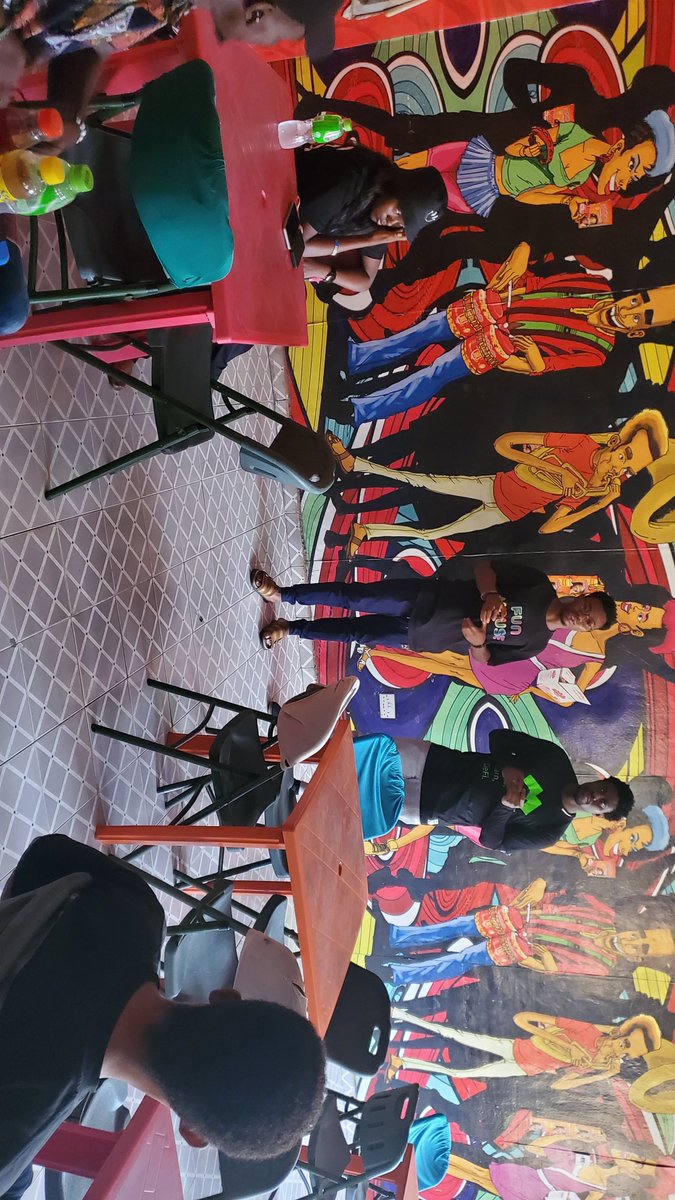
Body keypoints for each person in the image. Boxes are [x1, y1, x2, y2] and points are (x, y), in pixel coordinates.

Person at [0, 835, 326, 1198]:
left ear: (225, 997)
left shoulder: (137, 911)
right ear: (193, 1132)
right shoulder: (12, 1137)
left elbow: (43, 856)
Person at [334, 243, 675, 427]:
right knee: (423, 331)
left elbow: (542, 368)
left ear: (638, 331)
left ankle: (359, 411)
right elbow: (537, 281)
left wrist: (527, 360)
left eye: (641, 317)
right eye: (639, 300)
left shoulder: (597, 351)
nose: (629, 310)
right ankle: (356, 358)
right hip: (494, 305)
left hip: (500, 347)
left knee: (435, 373)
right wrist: (517, 265)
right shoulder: (595, 285)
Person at [326, 408, 669, 555]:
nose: (619, 469)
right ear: (616, 442)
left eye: (628, 470)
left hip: (505, 513)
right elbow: (505, 444)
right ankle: (356, 463)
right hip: (494, 485)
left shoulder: (593, 487)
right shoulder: (580, 445)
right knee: (423, 481)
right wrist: (555, 468)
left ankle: (366, 531)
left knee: (433, 533)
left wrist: (601, 503)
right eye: (625, 456)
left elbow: (549, 527)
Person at [0, 1, 342, 139]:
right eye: (276, 38)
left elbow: (94, 42)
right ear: (259, 13)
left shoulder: (170, 7)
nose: (264, 45)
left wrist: (68, 112)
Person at [250, 562, 617, 657]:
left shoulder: (536, 645)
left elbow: (487, 661)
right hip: (426, 596)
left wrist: (478, 643)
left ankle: (290, 629)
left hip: (426, 636)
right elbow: (485, 568)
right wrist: (490, 594)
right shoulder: (539, 584)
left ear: (585, 630)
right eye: (587, 608)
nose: (582, 617)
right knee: (355, 597)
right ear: (583, 596)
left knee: (356, 632)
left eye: (589, 623)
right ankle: (284, 595)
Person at [383, 878, 675, 986]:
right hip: (518, 916)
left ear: (638, 959)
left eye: (642, 947)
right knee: (460, 925)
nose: (633, 939)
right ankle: (400, 937)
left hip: (520, 948)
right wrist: (539, 886)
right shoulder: (604, 915)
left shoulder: (603, 965)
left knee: (465, 958)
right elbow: (561, 893)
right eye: (641, 933)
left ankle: (401, 975)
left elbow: (556, 971)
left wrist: (537, 962)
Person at [297, 144, 448, 296]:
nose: (391, 222)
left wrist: (324, 272)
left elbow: (365, 281)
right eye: (398, 211)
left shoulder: (379, 209)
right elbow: (297, 246)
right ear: (395, 186)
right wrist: (368, 240)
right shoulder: (350, 180)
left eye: (401, 223)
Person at [387, 1007, 660, 1088]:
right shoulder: (587, 1030)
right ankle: (401, 1014)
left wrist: (603, 1075)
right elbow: (522, 1019)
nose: (621, 1052)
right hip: (515, 1048)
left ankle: (403, 1063)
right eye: (625, 1043)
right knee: (454, 1035)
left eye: (628, 1054)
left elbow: (560, 1085)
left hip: (523, 1068)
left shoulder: (598, 1064)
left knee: (459, 1074)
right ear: (621, 1033)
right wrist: (570, 1045)